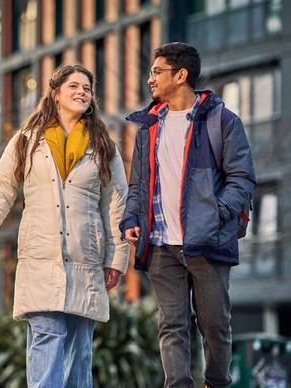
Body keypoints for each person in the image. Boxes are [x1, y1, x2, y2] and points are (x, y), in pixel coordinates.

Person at [0, 64, 129, 388]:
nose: (81, 92)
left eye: (87, 88)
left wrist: (117, 258)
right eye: (74, 86)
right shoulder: (27, 141)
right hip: (40, 261)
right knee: (47, 340)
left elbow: (116, 205)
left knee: (80, 352)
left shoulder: (103, 145)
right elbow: (0, 191)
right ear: (55, 93)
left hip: (86, 262)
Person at [119, 42, 255, 388]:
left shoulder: (222, 121)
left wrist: (214, 216)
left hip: (207, 241)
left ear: (180, 76)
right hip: (162, 244)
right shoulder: (149, 127)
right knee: (172, 326)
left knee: (214, 325)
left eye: (157, 72)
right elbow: (138, 183)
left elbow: (242, 180)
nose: (150, 79)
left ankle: (216, 383)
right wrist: (132, 219)